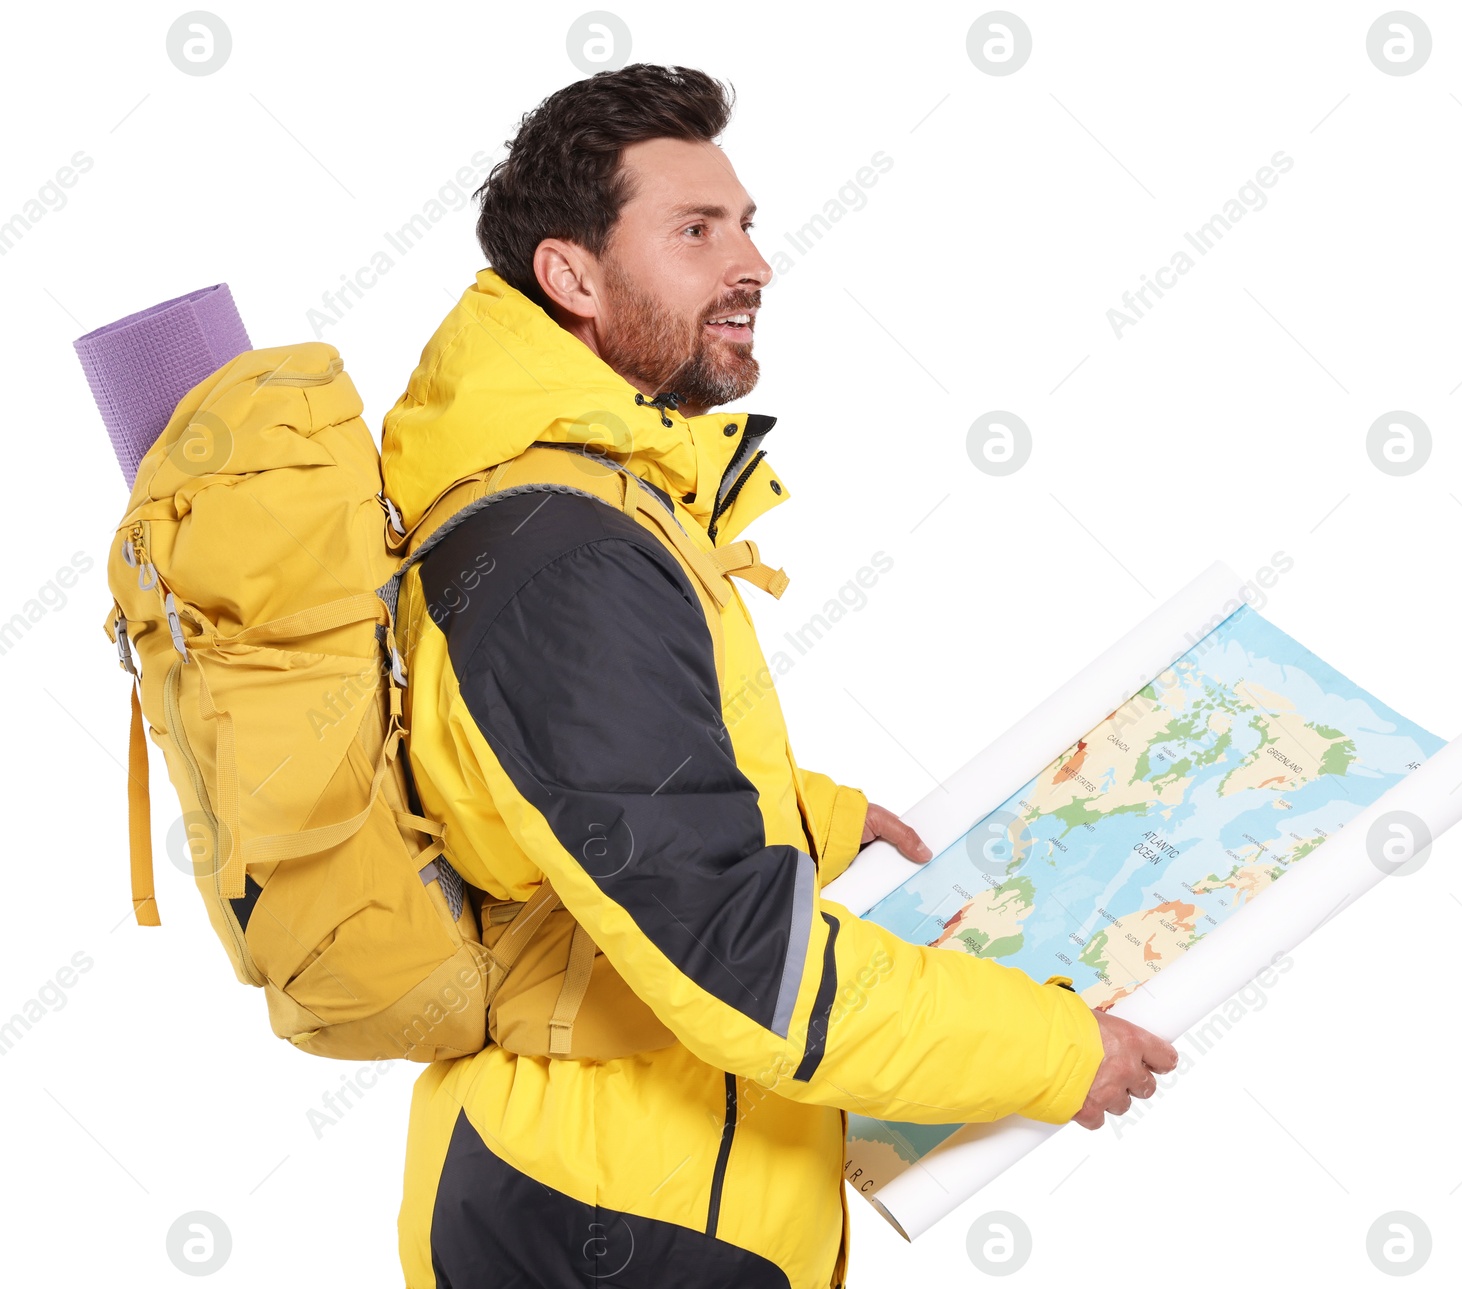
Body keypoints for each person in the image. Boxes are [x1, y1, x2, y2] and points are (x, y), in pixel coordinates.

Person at [385, 63, 1178, 1289]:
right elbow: (727, 951)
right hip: (615, 1220)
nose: (750, 262)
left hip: (651, 1185)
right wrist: (1050, 1048)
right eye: (695, 230)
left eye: (746, 223)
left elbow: (563, 800)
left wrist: (805, 816)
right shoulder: (563, 548)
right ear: (572, 275)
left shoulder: (594, 503)